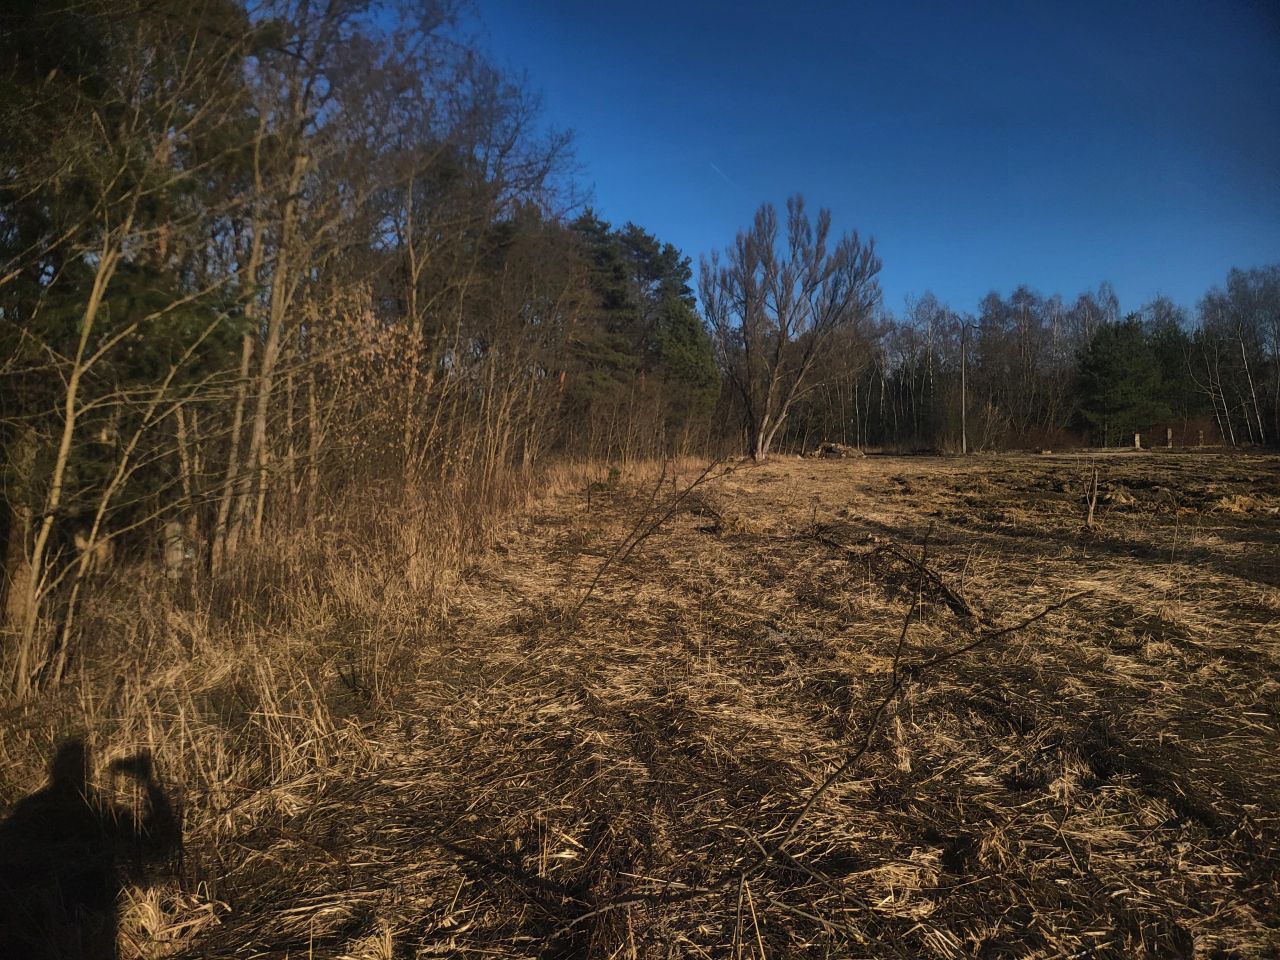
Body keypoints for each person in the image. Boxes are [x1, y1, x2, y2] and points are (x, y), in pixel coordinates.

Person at [0, 738, 180, 959]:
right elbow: (158, 843)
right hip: (82, 935)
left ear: (53, 771)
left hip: (32, 936)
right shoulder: (97, 815)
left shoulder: (31, 811)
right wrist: (147, 783)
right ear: (88, 774)